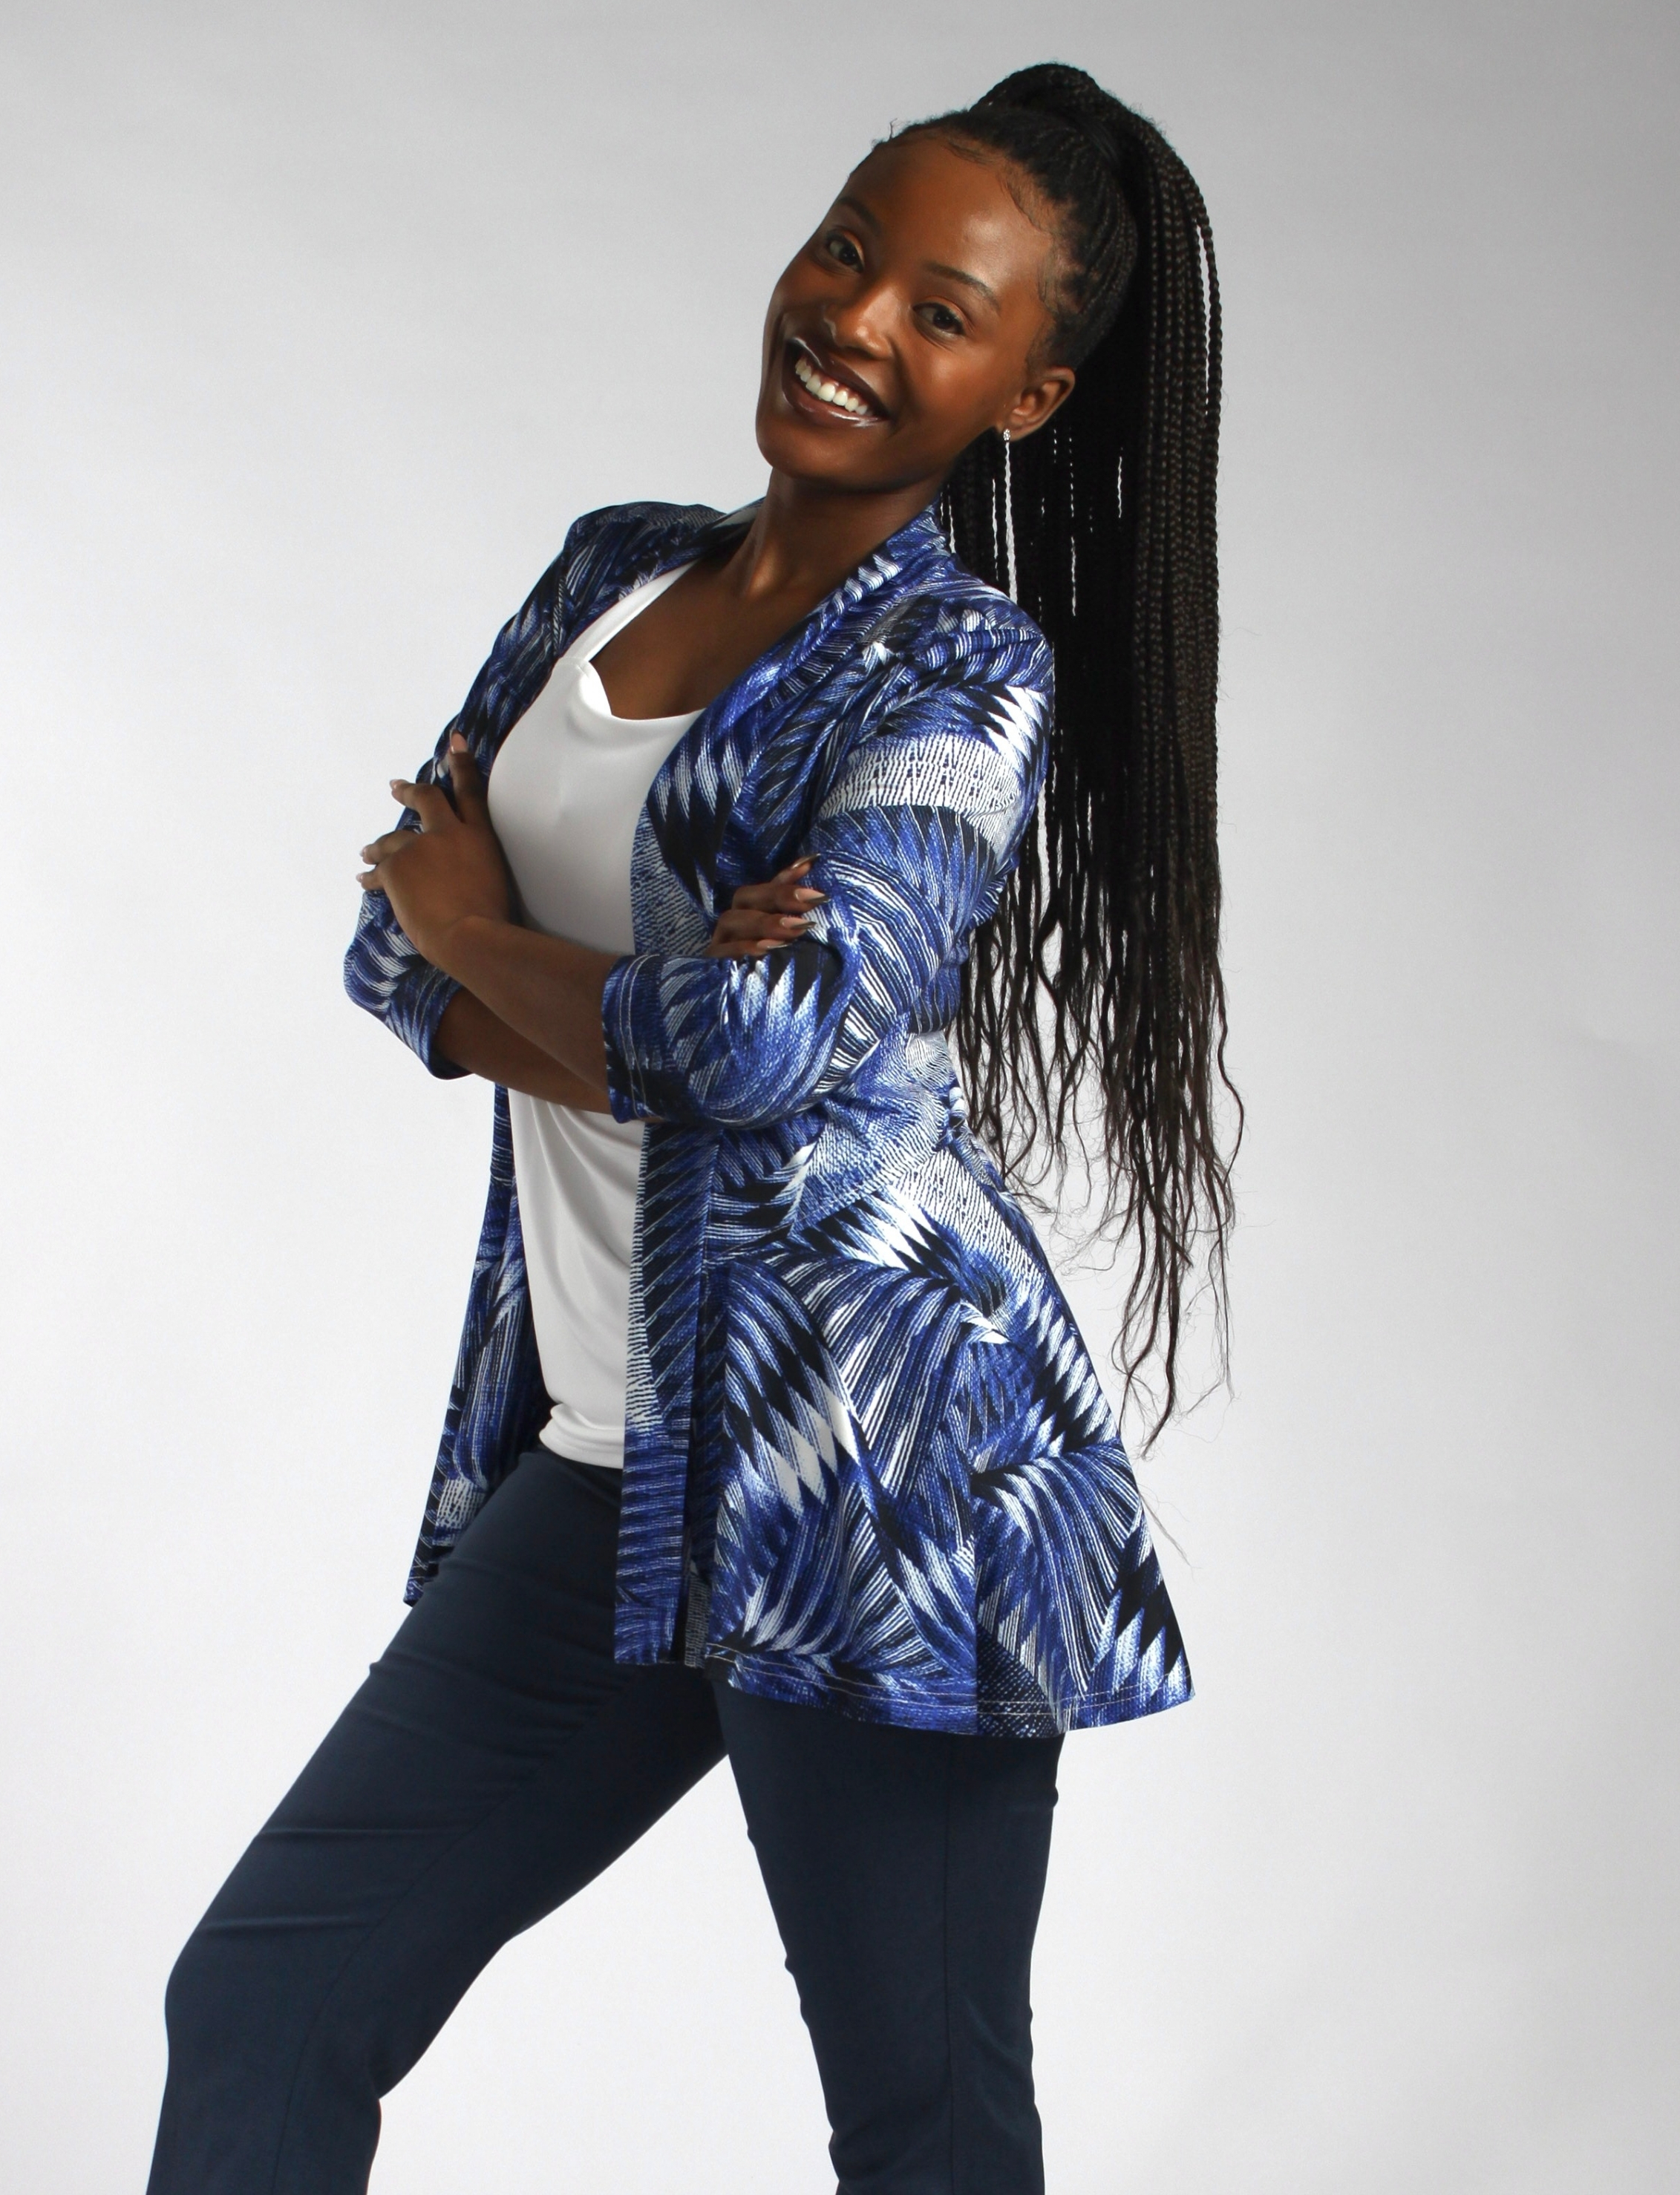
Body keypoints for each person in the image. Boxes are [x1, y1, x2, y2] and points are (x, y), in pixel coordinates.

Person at [146, 60, 1235, 2195]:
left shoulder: (954, 675)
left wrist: (495, 937)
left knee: (924, 2126)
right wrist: (606, 989)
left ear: (1027, 395)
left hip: (877, 1469)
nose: (854, 319)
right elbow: (395, 944)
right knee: (269, 1997)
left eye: (942, 311)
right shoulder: (610, 572)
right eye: (848, 250)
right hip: (613, 1469)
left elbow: (764, 1041)